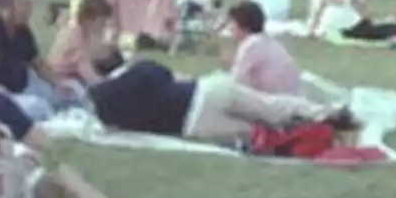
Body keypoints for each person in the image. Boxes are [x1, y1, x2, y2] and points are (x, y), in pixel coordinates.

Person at [88, 49, 327, 145]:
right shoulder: (140, 70)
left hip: (192, 125)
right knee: (271, 108)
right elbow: (167, 75)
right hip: (204, 93)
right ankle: (324, 115)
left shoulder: (103, 101)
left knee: (262, 134)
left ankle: (310, 134)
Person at [0, 0, 78, 119]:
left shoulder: (23, 31)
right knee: (39, 108)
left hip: (26, 84)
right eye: (25, 5)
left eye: (30, 5)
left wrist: (57, 83)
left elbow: (37, 62)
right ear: (8, 7)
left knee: (69, 95)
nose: (30, 10)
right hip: (1, 93)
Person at [226, 1, 301, 95]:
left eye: (233, 24)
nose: (230, 28)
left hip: (275, 99)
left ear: (244, 26)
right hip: (290, 94)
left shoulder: (250, 45)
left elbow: (235, 81)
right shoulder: (267, 41)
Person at [47, 0, 113, 87]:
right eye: (102, 21)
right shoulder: (75, 35)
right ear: (90, 19)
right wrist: (104, 84)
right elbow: (85, 70)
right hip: (61, 78)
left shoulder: (83, 33)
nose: (104, 26)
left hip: (72, 74)